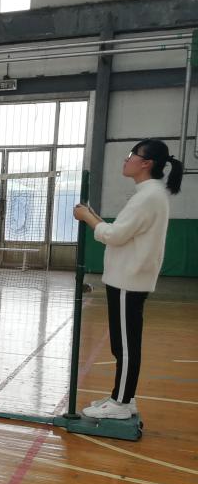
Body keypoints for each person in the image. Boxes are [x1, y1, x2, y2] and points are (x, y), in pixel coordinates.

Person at [73, 138, 182, 420]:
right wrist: (92, 215)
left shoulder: (148, 196)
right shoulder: (148, 194)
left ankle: (121, 403)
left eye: (132, 154)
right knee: (123, 343)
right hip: (126, 278)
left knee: (125, 345)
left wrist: (88, 218)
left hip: (128, 280)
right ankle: (124, 397)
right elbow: (122, 230)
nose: (126, 159)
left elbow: (115, 235)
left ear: (146, 163)